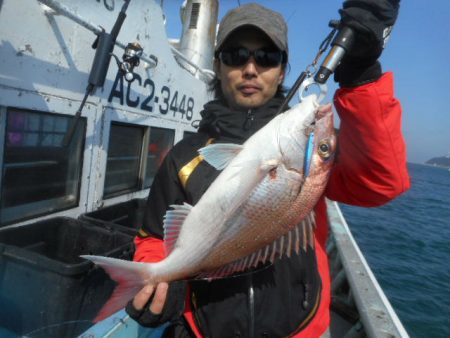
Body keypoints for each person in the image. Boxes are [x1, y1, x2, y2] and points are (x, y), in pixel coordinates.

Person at [126, 1, 410, 337]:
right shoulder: (183, 156)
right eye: (235, 55)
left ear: (282, 70)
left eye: (266, 57)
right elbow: (153, 238)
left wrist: (361, 73)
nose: (250, 68)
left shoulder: (311, 151)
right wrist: (157, 275)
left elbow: (382, 182)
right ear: (217, 66)